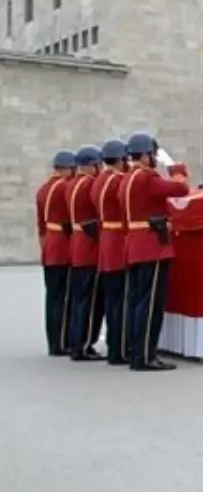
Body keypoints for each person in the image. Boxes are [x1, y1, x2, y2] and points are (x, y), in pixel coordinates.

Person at [119, 133, 191, 371]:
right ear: (146, 155)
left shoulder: (127, 179)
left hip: (134, 243)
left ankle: (135, 351)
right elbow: (181, 188)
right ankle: (145, 356)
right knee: (151, 305)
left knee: (137, 303)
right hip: (152, 245)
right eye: (152, 155)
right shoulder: (146, 178)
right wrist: (176, 168)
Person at [92, 139, 129, 364]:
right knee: (120, 300)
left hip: (106, 240)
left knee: (112, 300)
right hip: (118, 242)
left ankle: (115, 347)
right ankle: (119, 349)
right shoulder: (119, 181)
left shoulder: (99, 181)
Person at [36, 150, 77, 357]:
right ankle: (62, 341)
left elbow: (40, 225)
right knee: (63, 295)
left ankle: (54, 341)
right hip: (62, 243)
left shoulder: (44, 188)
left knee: (53, 297)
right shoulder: (65, 187)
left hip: (49, 244)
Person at [67, 145, 105, 362]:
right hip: (89, 245)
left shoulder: (71, 184)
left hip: (76, 243)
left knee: (79, 299)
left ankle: (75, 342)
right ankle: (83, 344)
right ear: (92, 166)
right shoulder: (90, 184)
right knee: (90, 302)